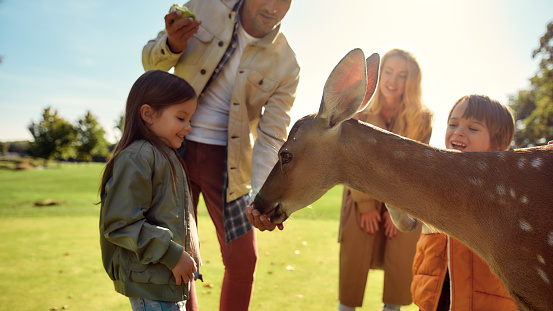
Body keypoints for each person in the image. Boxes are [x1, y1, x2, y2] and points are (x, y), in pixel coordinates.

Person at [142, 1, 300, 310]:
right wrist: (172, 44)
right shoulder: (204, 5)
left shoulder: (288, 64)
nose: (272, 6)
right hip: (173, 150)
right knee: (175, 251)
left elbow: (271, 136)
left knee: (243, 260)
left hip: (229, 165)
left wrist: (260, 193)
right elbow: (150, 61)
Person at [387, 94, 517, 311]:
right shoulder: (433, 181)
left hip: (484, 300)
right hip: (435, 294)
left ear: (498, 143)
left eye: (472, 128)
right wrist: (390, 194)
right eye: (453, 124)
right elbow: (406, 223)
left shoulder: (506, 188)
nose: (458, 132)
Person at [337, 48, 433, 311]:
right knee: (351, 273)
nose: (392, 80)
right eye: (388, 72)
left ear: (411, 81)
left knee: (400, 269)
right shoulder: (358, 111)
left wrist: (400, 213)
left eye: (402, 75)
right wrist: (366, 205)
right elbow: (351, 163)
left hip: (403, 202)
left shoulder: (423, 119)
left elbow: (416, 171)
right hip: (360, 198)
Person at [99, 70, 201, 311]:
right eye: (181, 118)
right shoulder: (138, 157)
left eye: (190, 120)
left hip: (164, 281)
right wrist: (171, 254)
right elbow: (120, 223)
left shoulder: (167, 155)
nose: (188, 127)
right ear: (148, 114)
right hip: (152, 285)